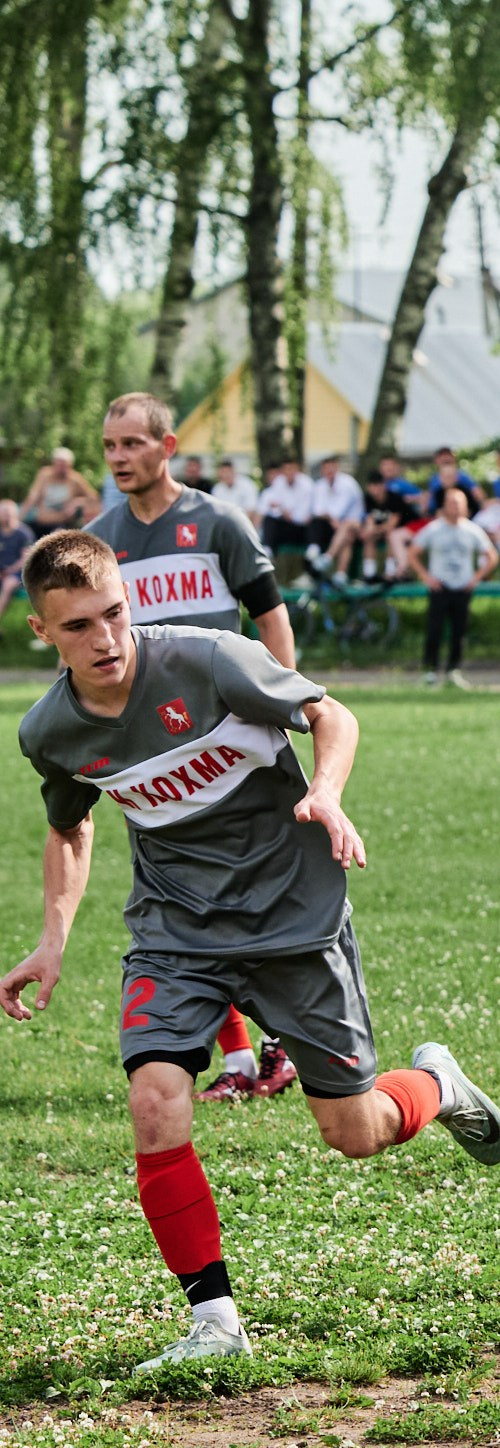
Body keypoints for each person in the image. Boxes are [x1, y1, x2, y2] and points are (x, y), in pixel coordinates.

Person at [4, 530, 500, 1376]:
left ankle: (436, 1084)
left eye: (116, 614)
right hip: (176, 932)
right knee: (155, 1099)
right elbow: (70, 822)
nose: (107, 639)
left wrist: (325, 789)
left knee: (353, 1132)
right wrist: (53, 940)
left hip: (293, 921)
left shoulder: (209, 661)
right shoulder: (49, 730)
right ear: (41, 631)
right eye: (81, 625)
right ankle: (214, 1319)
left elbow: (328, 713)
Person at [84, 392, 302, 1105]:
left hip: (232, 737)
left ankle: (281, 1045)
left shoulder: (216, 522)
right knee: (186, 894)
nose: (118, 457)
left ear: (167, 445)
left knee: (262, 885)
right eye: (109, 445)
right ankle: (238, 1062)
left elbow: (271, 616)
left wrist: (285, 703)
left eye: (131, 444)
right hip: (154, 752)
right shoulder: (100, 539)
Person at [409, 487, 496, 688]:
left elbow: (492, 556)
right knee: (434, 630)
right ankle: (430, 672)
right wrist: (426, 577)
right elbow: (413, 553)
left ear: (465, 506)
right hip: (440, 587)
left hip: (462, 588)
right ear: (445, 505)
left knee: (459, 632)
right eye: (452, 503)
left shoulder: (473, 530)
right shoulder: (433, 529)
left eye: (459, 503)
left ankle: (453, 671)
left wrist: (476, 578)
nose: (455, 507)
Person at [356, 455, 419, 581]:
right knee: (370, 537)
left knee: (390, 534)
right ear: (369, 487)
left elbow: (392, 524)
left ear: (383, 485)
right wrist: (369, 531)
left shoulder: (394, 498)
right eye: (373, 486)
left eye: (378, 485)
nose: (376, 490)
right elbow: (370, 521)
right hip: (385, 529)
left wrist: (374, 530)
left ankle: (390, 571)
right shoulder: (368, 499)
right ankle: (369, 573)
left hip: (405, 528)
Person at [306, 455, 366, 581]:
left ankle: (328, 557)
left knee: (347, 527)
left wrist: (330, 517)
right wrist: (331, 518)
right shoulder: (320, 485)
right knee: (347, 535)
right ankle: (341, 574)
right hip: (338, 528)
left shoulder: (347, 483)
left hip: (358, 525)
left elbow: (338, 512)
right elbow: (317, 511)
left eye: (331, 468)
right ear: (322, 471)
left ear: (337, 468)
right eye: (326, 469)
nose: (329, 472)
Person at [257, 457, 318, 565]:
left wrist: (287, 513)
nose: (289, 472)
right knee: (269, 520)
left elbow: (305, 515)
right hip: (286, 527)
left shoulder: (307, 484)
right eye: (286, 469)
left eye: (292, 469)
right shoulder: (278, 483)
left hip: (302, 529)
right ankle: (268, 552)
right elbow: (274, 510)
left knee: (314, 522)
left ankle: (312, 551)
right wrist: (285, 512)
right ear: (282, 471)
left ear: (297, 469)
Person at [27, 448, 101, 536]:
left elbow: (94, 498)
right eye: (58, 464)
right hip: (41, 521)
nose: (61, 469)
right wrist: (19, 518)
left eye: (64, 465)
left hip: (62, 524)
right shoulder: (44, 475)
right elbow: (32, 497)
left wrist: (77, 502)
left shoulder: (75, 479)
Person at [0, 501, 31, 627]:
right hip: (1, 571)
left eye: (7, 512)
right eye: (2, 512)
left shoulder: (23, 533)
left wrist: (9, 571)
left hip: (17, 573)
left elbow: (25, 559)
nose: (4, 515)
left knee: (8, 585)